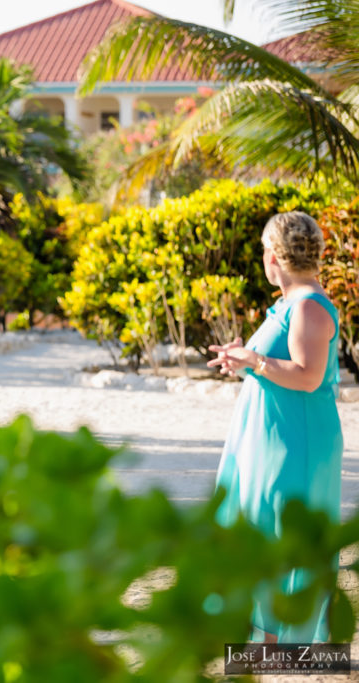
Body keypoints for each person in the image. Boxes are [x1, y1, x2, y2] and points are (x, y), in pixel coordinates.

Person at [208, 211, 342, 643]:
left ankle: (272, 651)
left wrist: (257, 362)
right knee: (259, 532)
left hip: (293, 444)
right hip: (267, 438)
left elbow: (307, 376)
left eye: (265, 250)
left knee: (278, 538)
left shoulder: (307, 307)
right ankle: (259, 654)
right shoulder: (287, 304)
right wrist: (244, 361)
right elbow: (275, 366)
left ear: (275, 256)